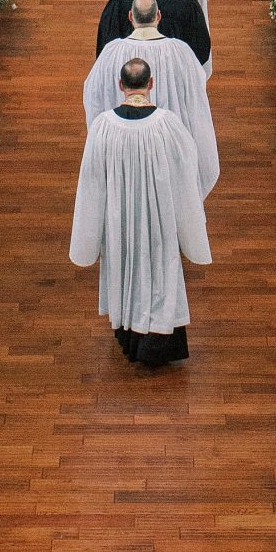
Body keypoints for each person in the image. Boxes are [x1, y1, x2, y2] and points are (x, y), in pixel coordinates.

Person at [69, 53, 211, 368]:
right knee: (160, 269)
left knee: (124, 266)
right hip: (159, 215)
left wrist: (92, 228)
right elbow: (186, 171)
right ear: (151, 83)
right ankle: (157, 342)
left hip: (118, 216)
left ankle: (130, 337)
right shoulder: (168, 124)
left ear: (120, 85)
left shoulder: (103, 126)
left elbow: (91, 179)